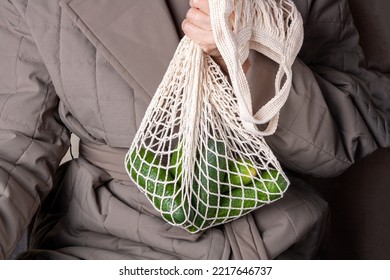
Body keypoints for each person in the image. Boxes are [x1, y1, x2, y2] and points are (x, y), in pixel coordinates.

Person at [0, 0, 387, 260]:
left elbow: (351, 133)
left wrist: (245, 58)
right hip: (104, 241)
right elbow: (12, 152)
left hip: (273, 238)